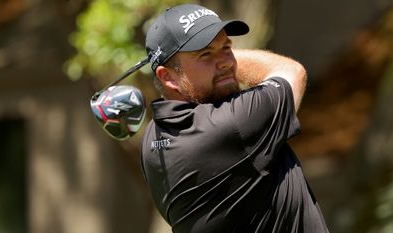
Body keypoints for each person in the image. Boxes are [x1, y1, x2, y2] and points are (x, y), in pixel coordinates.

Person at [140, 3, 329, 233]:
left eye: (226, 47)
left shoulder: (153, 139)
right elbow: (292, 72)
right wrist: (228, 58)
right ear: (168, 77)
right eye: (205, 54)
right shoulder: (231, 125)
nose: (227, 62)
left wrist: (202, 61)